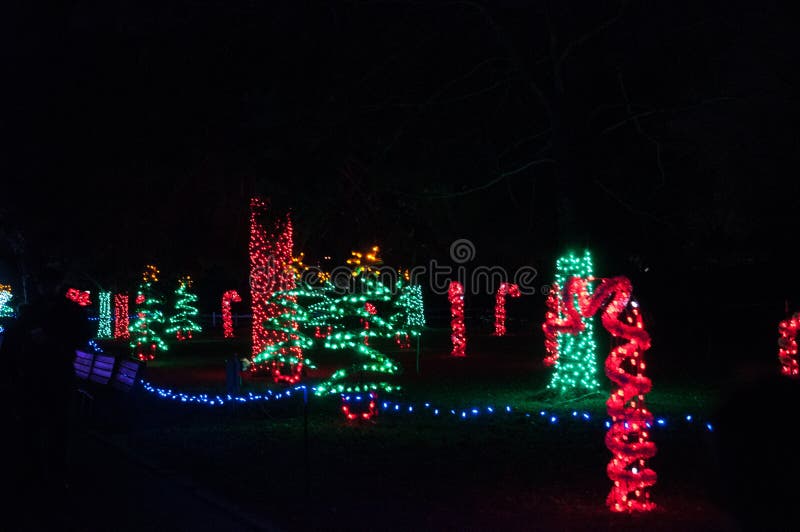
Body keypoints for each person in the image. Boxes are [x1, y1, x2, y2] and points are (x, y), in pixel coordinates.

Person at [3, 262, 92, 503]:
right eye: (44, 284)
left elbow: (82, 335)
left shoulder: (70, 311)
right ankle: (35, 472)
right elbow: (13, 340)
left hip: (58, 373)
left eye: (51, 283)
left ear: (57, 285)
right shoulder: (32, 311)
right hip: (34, 376)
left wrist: (52, 341)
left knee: (58, 426)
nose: (47, 287)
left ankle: (55, 472)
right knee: (33, 425)